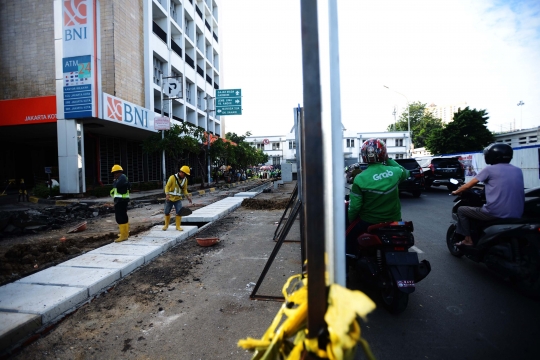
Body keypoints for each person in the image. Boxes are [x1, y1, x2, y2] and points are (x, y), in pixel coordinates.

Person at [451, 143, 524, 246]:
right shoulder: (518, 170)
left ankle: (468, 239)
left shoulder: (489, 169)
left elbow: (468, 185)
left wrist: (456, 192)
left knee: (461, 210)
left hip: (494, 213)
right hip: (517, 213)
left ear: (491, 156)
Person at [346, 139, 409, 254]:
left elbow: (354, 207)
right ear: (383, 153)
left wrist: (351, 220)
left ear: (364, 156)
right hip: (394, 220)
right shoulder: (395, 172)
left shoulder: (360, 178)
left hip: (369, 222)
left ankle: (345, 268)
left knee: (347, 238)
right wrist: (388, 159)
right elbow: (406, 172)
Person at [163, 165, 192, 231]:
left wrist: (188, 196)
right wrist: (167, 194)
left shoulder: (185, 180)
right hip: (170, 199)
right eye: (185, 174)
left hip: (178, 199)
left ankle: (178, 226)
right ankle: (166, 225)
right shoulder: (172, 178)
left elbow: (184, 189)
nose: (185, 176)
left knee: (179, 212)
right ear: (181, 172)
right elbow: (167, 186)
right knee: (166, 212)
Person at [110, 165, 130, 242]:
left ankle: (124, 235)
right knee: (122, 217)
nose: (115, 174)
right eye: (114, 173)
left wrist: (115, 181)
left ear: (120, 172)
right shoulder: (121, 177)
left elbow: (116, 185)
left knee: (121, 217)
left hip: (121, 201)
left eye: (116, 173)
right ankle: (124, 233)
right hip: (120, 200)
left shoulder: (122, 177)